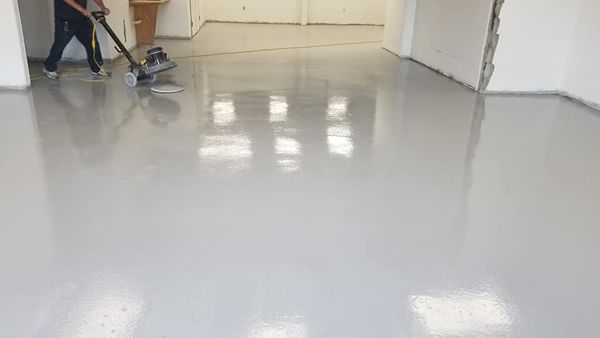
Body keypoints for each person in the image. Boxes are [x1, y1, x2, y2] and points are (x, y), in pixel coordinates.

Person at [43, 0, 111, 79]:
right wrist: (82, 10)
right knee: (60, 45)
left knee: (92, 43)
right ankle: (49, 67)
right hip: (66, 19)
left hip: (82, 19)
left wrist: (103, 7)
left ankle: (97, 68)